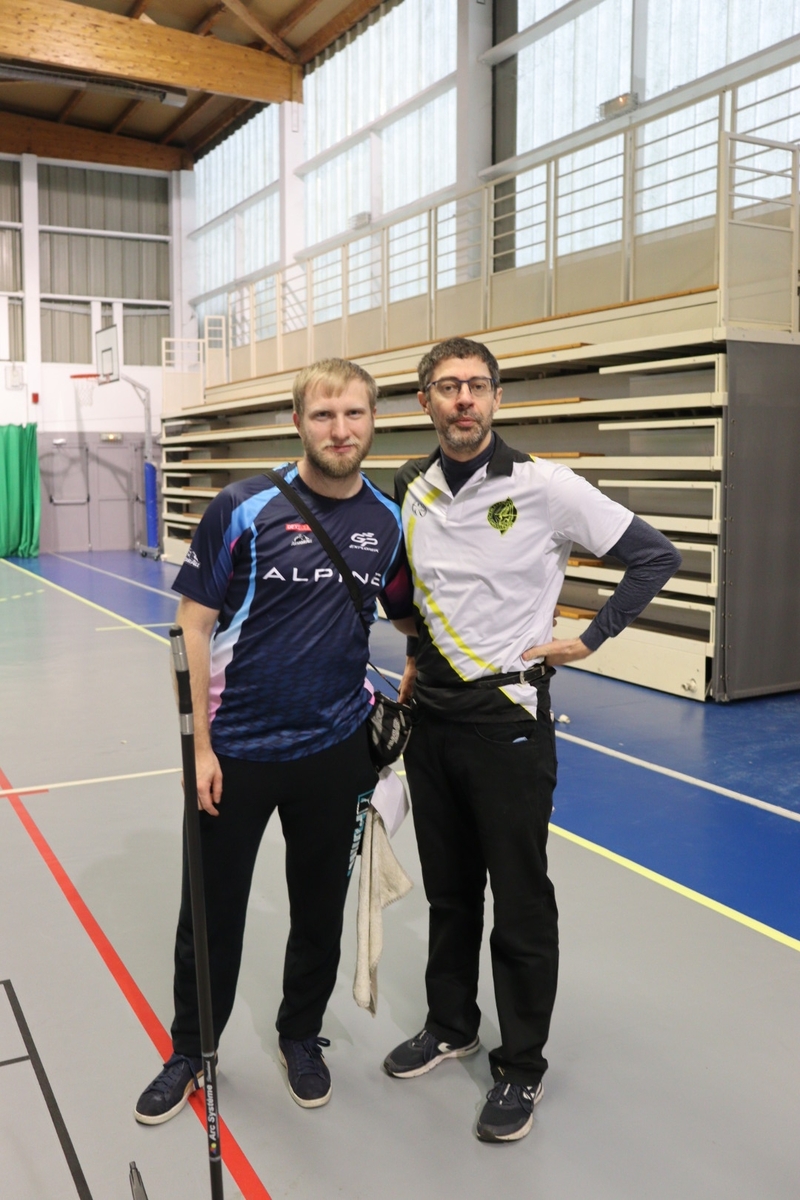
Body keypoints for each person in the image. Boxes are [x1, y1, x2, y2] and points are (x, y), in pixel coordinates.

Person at [383, 337, 680, 1143]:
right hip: (431, 721)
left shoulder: (546, 486)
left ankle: (521, 1065)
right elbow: (424, 591)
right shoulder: (409, 484)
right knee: (449, 892)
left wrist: (589, 639)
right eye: (448, 387)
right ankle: (452, 1025)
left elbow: (654, 556)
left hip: (509, 723)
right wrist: (415, 659)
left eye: (478, 386)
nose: (464, 400)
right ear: (425, 401)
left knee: (517, 899)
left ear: (498, 398)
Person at [135, 358, 415, 1124]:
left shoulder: (387, 522)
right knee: (210, 913)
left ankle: (300, 1036)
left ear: (373, 421)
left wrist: (418, 677)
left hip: (337, 751)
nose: (340, 430)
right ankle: (191, 1050)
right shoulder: (242, 506)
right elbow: (192, 627)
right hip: (236, 753)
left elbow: (405, 613)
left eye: (354, 414)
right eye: (324, 415)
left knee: (318, 909)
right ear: (298, 422)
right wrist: (198, 747)